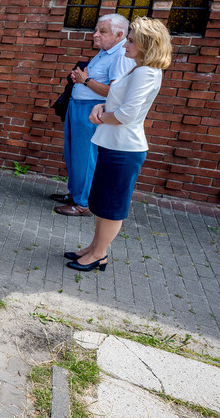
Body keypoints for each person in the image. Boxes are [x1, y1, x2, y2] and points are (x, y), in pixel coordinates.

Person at [66, 17, 172, 273]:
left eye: (131, 40)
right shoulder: (136, 68)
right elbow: (117, 100)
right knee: (101, 201)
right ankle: (93, 248)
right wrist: (102, 107)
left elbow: (128, 115)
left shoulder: (147, 72)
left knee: (112, 205)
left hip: (125, 149)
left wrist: (101, 116)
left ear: (146, 44)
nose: (126, 44)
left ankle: (99, 254)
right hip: (113, 144)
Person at [54, 14, 134, 217]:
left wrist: (86, 80)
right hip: (78, 107)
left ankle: (83, 203)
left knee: (85, 156)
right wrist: (79, 78)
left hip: (91, 111)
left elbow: (116, 92)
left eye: (102, 31)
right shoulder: (106, 51)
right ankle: (75, 194)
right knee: (74, 154)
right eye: (96, 30)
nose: (95, 34)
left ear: (119, 34)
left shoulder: (121, 56)